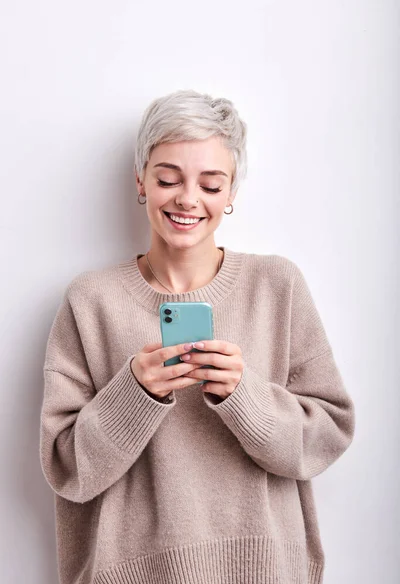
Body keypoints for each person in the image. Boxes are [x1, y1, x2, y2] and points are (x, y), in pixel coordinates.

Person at [39, 89, 355, 584]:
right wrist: (135, 395)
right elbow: (67, 470)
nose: (188, 199)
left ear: (232, 194)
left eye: (211, 184)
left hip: (265, 569)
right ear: (141, 179)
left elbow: (328, 435)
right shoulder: (90, 301)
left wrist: (243, 396)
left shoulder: (277, 285)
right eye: (169, 178)